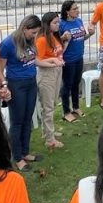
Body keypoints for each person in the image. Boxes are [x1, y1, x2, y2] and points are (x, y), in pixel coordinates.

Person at [0, 14, 43, 170]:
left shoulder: (30, 40)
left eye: (37, 32)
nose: (35, 35)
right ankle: (17, 157)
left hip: (31, 82)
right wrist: (4, 86)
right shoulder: (8, 44)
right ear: (25, 28)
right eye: (33, 32)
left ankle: (25, 152)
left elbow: (32, 60)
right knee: (17, 121)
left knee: (27, 118)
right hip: (16, 85)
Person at [36, 11, 66, 150]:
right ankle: (50, 139)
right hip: (47, 73)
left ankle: (48, 132)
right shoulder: (42, 40)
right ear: (47, 25)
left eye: (58, 22)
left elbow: (58, 52)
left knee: (52, 103)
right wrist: (53, 61)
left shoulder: (54, 37)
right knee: (48, 107)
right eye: (55, 22)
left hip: (56, 71)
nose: (58, 24)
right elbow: (38, 61)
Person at [59, 1, 90, 123]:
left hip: (79, 58)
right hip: (68, 60)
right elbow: (56, 44)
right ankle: (66, 111)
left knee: (76, 83)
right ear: (67, 11)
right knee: (67, 85)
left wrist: (90, 34)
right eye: (74, 9)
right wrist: (63, 38)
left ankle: (76, 107)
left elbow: (81, 38)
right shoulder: (61, 24)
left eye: (77, 8)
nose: (77, 10)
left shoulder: (79, 21)